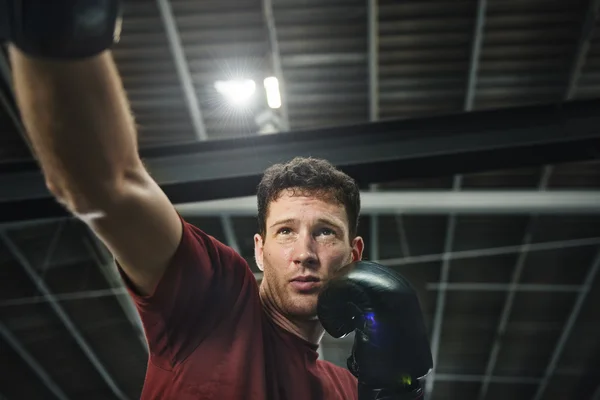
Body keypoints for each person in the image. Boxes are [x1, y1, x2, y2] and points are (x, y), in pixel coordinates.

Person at [7, 40, 366, 399]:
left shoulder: (349, 390)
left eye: (325, 232)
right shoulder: (215, 303)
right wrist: (56, 27)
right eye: (285, 231)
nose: (304, 252)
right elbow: (106, 185)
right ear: (260, 250)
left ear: (354, 254)